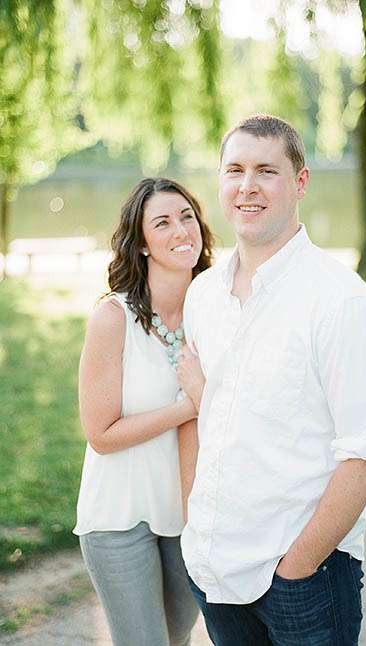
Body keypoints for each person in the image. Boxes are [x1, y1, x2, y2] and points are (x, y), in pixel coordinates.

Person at [176, 114, 366, 645]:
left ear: (300, 183)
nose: (247, 187)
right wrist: (195, 528)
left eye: (266, 170)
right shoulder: (204, 295)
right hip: (214, 568)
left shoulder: (339, 301)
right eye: (234, 170)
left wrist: (297, 565)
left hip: (301, 577)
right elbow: (213, 418)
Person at [75, 178, 214, 645]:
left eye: (187, 216)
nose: (181, 230)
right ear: (142, 245)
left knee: (177, 639)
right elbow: (102, 433)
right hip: (119, 518)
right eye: (163, 222)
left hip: (189, 517)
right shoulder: (114, 319)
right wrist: (190, 405)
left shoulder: (213, 315)